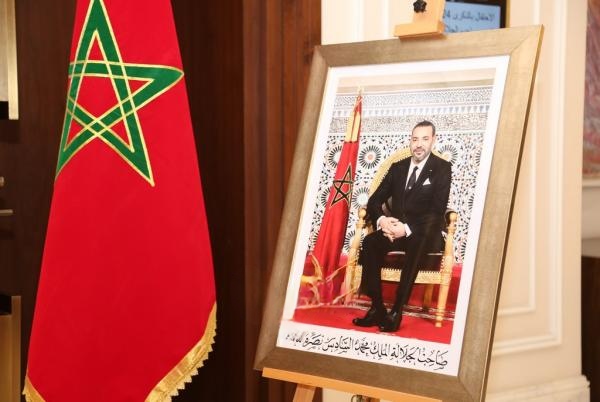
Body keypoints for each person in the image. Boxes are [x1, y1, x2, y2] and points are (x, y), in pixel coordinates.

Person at [352, 120, 452, 332]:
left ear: (433, 140)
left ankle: (396, 311)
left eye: (425, 139)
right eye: (415, 139)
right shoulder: (398, 168)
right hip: (394, 230)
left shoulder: (442, 168)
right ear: (410, 141)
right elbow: (374, 201)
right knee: (370, 242)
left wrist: (405, 229)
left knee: (418, 241)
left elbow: (437, 211)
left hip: (423, 232)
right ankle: (377, 308)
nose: (419, 144)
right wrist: (383, 221)